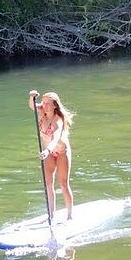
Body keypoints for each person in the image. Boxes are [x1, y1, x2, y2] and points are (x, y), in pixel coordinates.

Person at [28, 89, 74, 221]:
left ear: (55, 105)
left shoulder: (58, 120)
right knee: (48, 184)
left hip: (61, 152)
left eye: (48, 103)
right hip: (48, 152)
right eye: (43, 102)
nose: (45, 105)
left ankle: (70, 215)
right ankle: (51, 215)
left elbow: (55, 138)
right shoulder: (42, 111)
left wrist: (47, 150)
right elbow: (32, 105)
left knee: (63, 184)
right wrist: (31, 97)